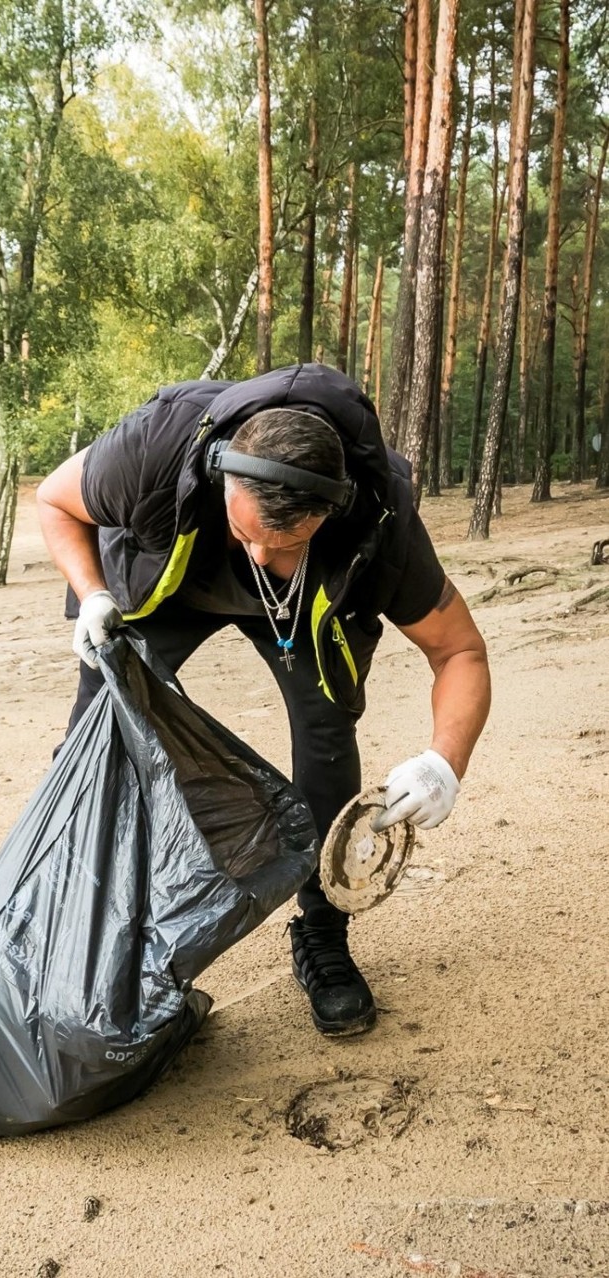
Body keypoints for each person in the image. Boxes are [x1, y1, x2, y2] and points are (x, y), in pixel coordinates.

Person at [36, 362, 490, 1038]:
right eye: (244, 531)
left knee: (326, 734)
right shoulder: (155, 450)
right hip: (169, 574)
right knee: (101, 738)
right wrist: (92, 593)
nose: (255, 554)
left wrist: (444, 764)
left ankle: (324, 934)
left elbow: (460, 652)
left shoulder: (378, 521)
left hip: (308, 605)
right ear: (223, 477)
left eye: (279, 543)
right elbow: (52, 500)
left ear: (325, 514)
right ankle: (87, 936)